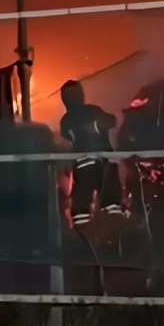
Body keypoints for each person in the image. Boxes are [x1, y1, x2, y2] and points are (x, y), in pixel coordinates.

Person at [59, 79, 123, 225]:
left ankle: (84, 238)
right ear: (81, 95)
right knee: (111, 202)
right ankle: (115, 235)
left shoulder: (65, 120)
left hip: (82, 166)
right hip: (103, 164)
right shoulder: (93, 110)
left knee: (81, 208)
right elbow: (111, 121)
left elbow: (66, 137)